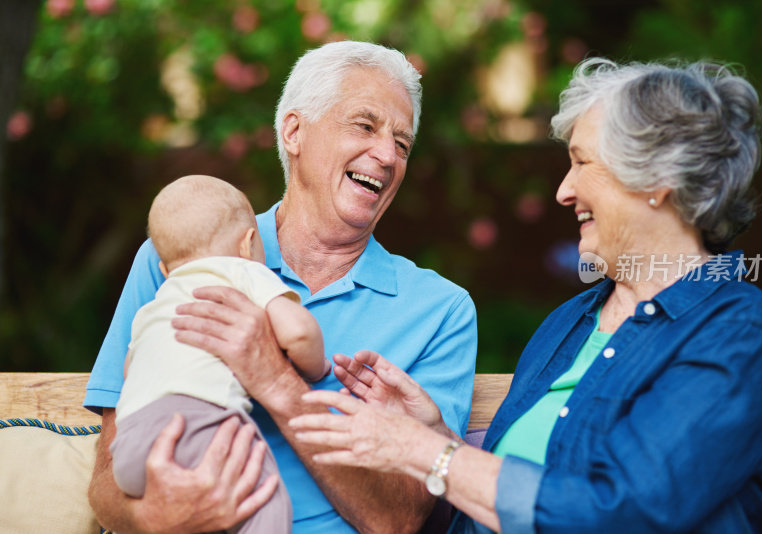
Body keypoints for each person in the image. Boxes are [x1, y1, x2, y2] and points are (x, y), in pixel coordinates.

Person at [289, 58, 762, 533]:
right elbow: (515, 490)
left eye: (581, 163)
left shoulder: (739, 330)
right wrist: (435, 434)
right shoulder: (570, 323)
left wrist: (428, 453)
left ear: (658, 178)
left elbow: (626, 510)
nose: (563, 190)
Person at [84, 41, 478, 534]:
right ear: (294, 131)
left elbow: (401, 520)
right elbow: (107, 476)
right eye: (365, 125)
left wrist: (275, 381)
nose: (386, 155)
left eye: (402, 143)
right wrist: (153, 517)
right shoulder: (181, 258)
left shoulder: (440, 310)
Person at [111, 174, 331, 533]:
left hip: (132, 446)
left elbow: (129, 369)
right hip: (199, 423)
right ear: (248, 243)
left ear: (165, 269)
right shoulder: (240, 272)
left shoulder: (155, 304)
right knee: (263, 498)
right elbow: (299, 332)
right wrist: (317, 368)